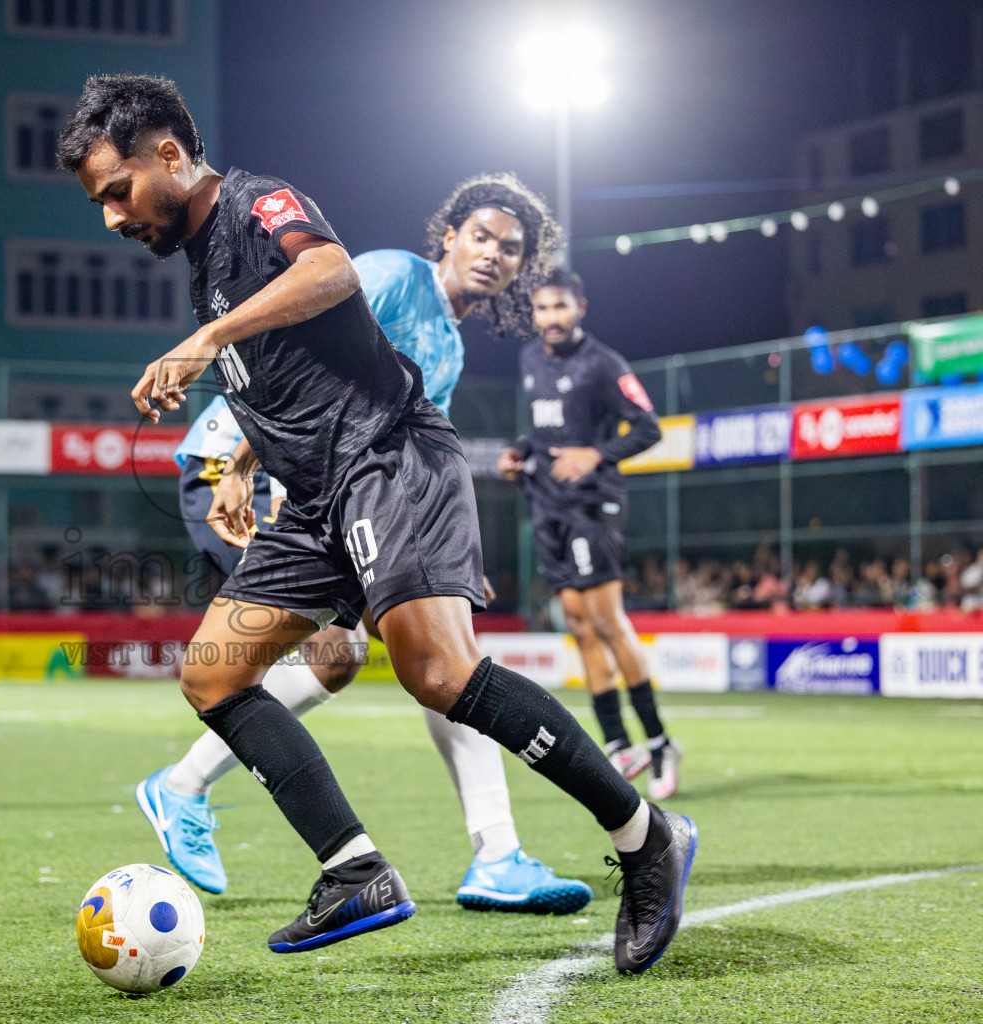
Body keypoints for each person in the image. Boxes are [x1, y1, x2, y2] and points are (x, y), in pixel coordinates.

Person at [58, 74, 695, 973]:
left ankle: (644, 838)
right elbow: (278, 376)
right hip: (313, 497)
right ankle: (353, 870)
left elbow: (328, 270)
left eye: (117, 193)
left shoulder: (255, 204)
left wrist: (206, 342)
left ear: (168, 154)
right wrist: (243, 461)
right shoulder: (205, 266)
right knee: (210, 673)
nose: (114, 218)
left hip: (388, 460)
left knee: (437, 674)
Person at [137, 176, 592, 918]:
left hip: (318, 481)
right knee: (435, 649)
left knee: (379, 653)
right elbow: (293, 359)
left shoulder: (445, 347)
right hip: (245, 471)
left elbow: (402, 445)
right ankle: (494, 852)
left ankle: (184, 786)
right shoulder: (392, 276)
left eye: (512, 249)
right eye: (481, 236)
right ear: (447, 235)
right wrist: (254, 469)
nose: (493, 254)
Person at [497, 271, 682, 800]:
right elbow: (543, 431)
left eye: (559, 307)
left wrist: (596, 454)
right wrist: (521, 453)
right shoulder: (530, 359)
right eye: (541, 309)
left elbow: (648, 427)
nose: (550, 318)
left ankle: (660, 741)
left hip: (591, 505)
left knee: (607, 619)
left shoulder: (604, 364)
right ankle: (621, 744)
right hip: (546, 502)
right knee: (578, 624)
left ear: (580, 306)